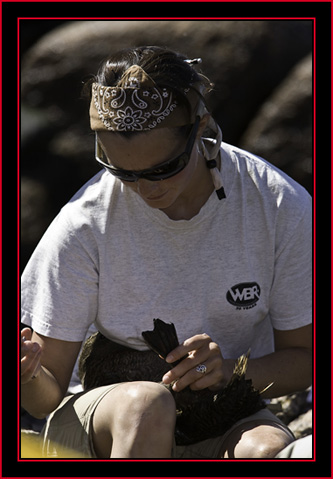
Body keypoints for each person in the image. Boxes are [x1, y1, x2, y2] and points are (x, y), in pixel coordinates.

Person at [21, 46, 312, 459]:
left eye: (163, 168)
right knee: (147, 406)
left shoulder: (279, 206)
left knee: (266, 450)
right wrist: (26, 374)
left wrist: (228, 371)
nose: (145, 188)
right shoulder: (83, 224)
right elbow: (45, 399)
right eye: (123, 172)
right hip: (104, 423)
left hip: (221, 413)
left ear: (203, 129)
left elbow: (306, 358)